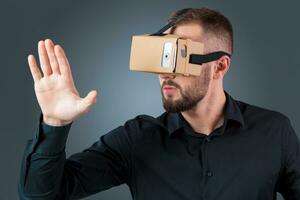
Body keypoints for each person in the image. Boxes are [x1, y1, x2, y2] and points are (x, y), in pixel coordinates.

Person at [18, 8, 300, 200]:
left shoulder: (274, 132)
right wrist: (54, 124)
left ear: (219, 66)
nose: (165, 71)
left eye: (181, 55)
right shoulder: (137, 138)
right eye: (162, 56)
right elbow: (41, 195)